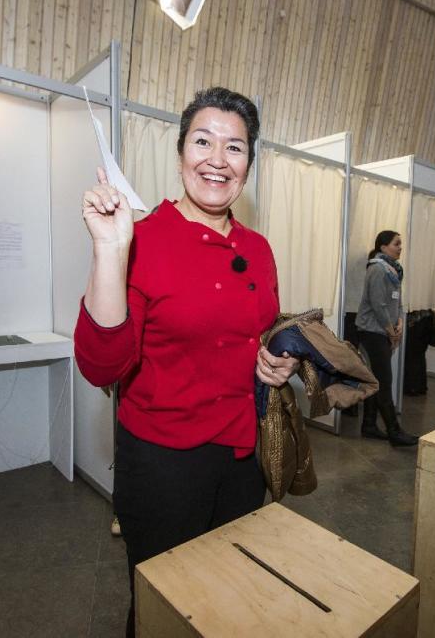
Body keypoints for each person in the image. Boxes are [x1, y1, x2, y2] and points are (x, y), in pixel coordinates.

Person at [73, 87, 298, 637]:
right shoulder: (141, 240)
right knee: (163, 606)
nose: (218, 160)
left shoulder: (260, 247)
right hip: (163, 463)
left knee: (225, 596)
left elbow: (252, 331)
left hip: (244, 455)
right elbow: (102, 367)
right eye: (203, 141)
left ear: (249, 163)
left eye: (235, 147)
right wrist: (109, 249)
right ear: (180, 156)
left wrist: (272, 361)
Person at [355, 231, 418, 447]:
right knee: (383, 381)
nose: (400, 247)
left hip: (384, 331)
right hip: (373, 332)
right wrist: (392, 331)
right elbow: (378, 304)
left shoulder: (394, 271)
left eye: (401, 244)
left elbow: (396, 302)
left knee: (375, 379)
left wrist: (399, 323)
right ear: (383, 247)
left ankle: (369, 425)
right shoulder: (377, 270)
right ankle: (394, 431)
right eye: (396, 244)